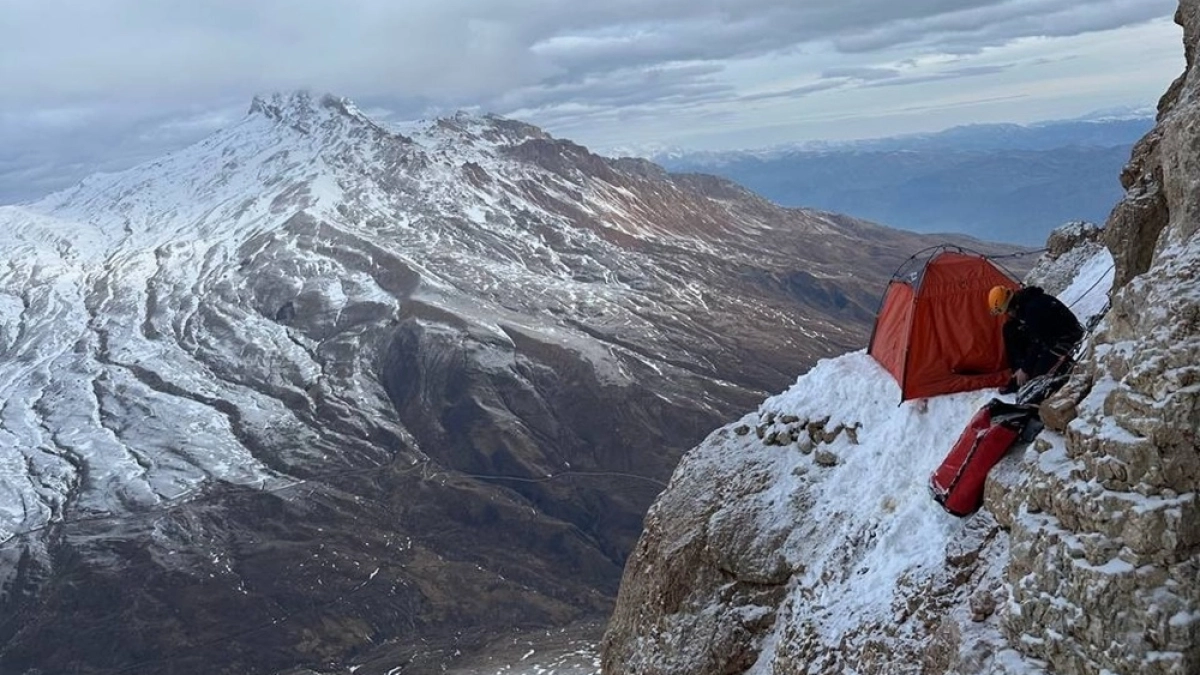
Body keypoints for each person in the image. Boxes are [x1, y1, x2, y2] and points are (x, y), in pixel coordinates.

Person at [987, 285, 1083, 394]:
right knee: (1010, 329)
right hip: (1051, 336)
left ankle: (1023, 378)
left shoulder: (1032, 310)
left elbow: (1039, 342)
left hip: (1064, 340)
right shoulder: (1026, 303)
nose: (1008, 314)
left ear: (1010, 307)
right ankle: (1018, 375)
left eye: (1007, 311)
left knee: (1037, 378)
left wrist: (1026, 368)